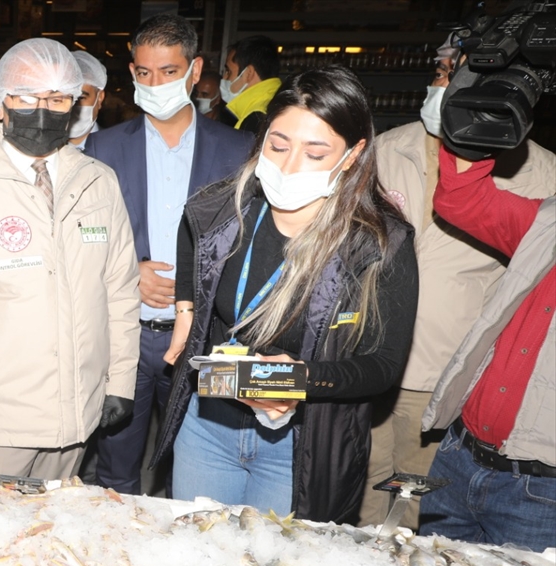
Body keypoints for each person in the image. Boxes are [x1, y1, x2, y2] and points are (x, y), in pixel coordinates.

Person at [155, 66, 419, 523]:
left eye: (315, 153)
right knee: (198, 560)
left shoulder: (379, 243)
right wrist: (185, 309)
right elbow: (190, 238)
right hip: (208, 424)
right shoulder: (223, 208)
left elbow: (382, 367)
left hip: (301, 443)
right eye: (278, 146)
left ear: (353, 154)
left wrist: (297, 379)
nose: (289, 166)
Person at [0, 38, 140, 481]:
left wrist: (119, 381)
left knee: (52, 536)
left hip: (78, 410)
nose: (42, 110)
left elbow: (119, 292)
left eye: (56, 99)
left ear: (74, 105)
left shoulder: (99, 183)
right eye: (27, 98)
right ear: (1, 103)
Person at [359, 48, 556, 528]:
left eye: (465, 77)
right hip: (378, 361)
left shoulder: (541, 171)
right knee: (367, 492)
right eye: (446, 73)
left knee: (415, 503)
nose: (448, 86)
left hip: (447, 373)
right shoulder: (388, 148)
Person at [83, 13, 251, 495]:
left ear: (196, 70)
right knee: (115, 471)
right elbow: (83, 235)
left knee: (201, 474)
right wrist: (127, 270)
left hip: (204, 340)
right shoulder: (104, 147)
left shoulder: (238, 150)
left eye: (169, 72)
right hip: (126, 338)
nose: (154, 84)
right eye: (144, 73)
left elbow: (248, 243)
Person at [417, 144, 555, 551]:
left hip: (540, 493)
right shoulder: (546, 219)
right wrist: (476, 126)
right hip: (459, 458)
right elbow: (461, 197)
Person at [220, 35, 282, 135]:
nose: (224, 78)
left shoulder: (256, 118)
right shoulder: (280, 103)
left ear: (248, 73)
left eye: (228, 71)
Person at [69, 50, 107, 150]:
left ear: (100, 98)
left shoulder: (119, 147)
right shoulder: (41, 150)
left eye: (80, 98)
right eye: (64, 98)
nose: (72, 105)